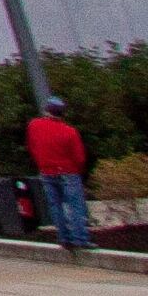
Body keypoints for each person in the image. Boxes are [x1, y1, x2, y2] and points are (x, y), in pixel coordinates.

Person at [26, 97, 93, 251]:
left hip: (47, 171)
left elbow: (32, 146)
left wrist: (42, 163)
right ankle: (81, 239)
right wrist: (78, 170)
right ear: (62, 114)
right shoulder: (69, 132)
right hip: (68, 172)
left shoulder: (34, 125)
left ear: (47, 111)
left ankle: (64, 238)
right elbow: (79, 157)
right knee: (75, 206)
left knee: (56, 206)